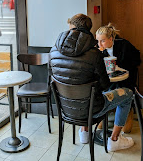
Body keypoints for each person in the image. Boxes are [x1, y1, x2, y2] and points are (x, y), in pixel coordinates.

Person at [50, 14, 134, 152]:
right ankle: (114, 139)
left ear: (72, 29)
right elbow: (105, 85)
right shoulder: (94, 54)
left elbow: (54, 81)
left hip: (65, 108)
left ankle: (84, 133)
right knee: (128, 94)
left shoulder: (53, 51)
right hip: (92, 109)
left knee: (82, 88)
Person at [96, 23, 141, 133]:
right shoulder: (99, 51)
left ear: (111, 39)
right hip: (109, 81)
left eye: (102, 41)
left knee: (127, 130)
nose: (99, 44)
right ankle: (108, 109)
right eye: (97, 41)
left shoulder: (124, 45)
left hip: (126, 80)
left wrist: (120, 66)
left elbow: (137, 61)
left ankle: (124, 108)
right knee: (100, 126)